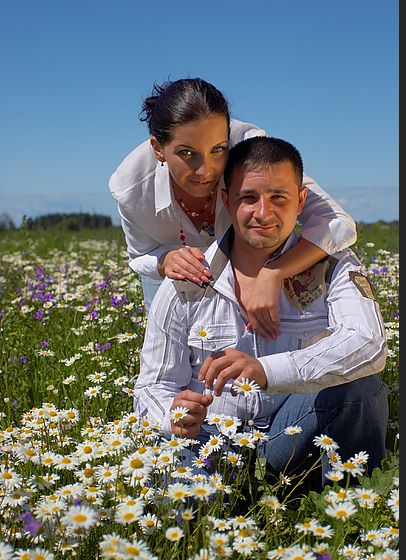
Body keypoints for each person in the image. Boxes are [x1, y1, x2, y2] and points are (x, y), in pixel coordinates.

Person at [134, 136, 389, 483]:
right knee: (177, 487)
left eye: (279, 198)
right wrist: (172, 414)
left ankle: (354, 508)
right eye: (248, 198)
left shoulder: (334, 266)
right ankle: (219, 516)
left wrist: (266, 371)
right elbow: (151, 388)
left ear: (301, 201)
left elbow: (369, 344)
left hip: (296, 435)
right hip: (214, 441)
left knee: (359, 386)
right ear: (227, 200)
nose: (263, 213)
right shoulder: (187, 278)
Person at [109, 78, 357, 339]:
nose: (206, 171)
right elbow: (139, 256)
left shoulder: (250, 149)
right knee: (169, 357)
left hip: (250, 264)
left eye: (218, 150)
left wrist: (274, 272)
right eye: (186, 153)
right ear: (158, 149)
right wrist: (164, 260)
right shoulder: (130, 189)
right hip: (174, 278)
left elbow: (338, 224)